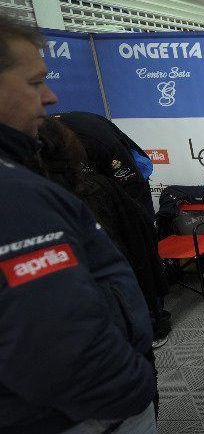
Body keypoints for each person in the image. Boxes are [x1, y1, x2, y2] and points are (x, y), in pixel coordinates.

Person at [0, 14, 162, 434]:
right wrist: (134, 388)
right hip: (73, 433)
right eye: (35, 82)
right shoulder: (13, 199)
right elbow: (53, 344)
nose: (50, 97)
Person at [53, 111, 172, 348]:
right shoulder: (43, 144)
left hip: (128, 191)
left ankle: (156, 322)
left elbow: (133, 185)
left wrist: (140, 227)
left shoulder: (96, 142)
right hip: (89, 199)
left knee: (140, 255)